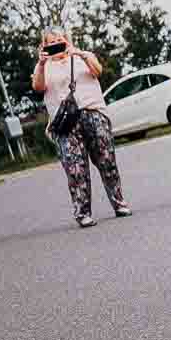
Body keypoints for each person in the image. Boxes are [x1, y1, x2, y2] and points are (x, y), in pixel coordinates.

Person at [29, 25, 129, 228]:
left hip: (93, 113)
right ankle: (82, 213)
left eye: (59, 40)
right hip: (64, 122)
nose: (56, 44)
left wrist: (79, 53)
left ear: (67, 39)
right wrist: (41, 63)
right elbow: (38, 87)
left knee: (107, 161)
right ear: (43, 45)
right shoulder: (44, 67)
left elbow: (97, 71)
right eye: (50, 42)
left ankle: (119, 203)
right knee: (75, 168)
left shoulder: (83, 56)